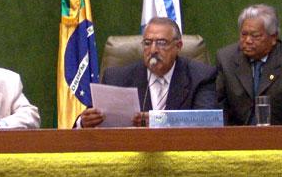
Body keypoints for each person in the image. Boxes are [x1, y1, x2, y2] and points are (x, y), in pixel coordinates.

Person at [79, 17, 217, 128]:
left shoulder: (201, 76)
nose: (153, 50)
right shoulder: (116, 78)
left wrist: (159, 121)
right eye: (147, 43)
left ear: (178, 46)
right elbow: (91, 117)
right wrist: (84, 122)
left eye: (161, 43)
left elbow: (208, 122)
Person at [215, 4, 282, 125]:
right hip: (236, 134)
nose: (248, 40)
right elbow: (219, 107)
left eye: (255, 36)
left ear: (273, 37)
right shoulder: (226, 59)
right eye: (244, 34)